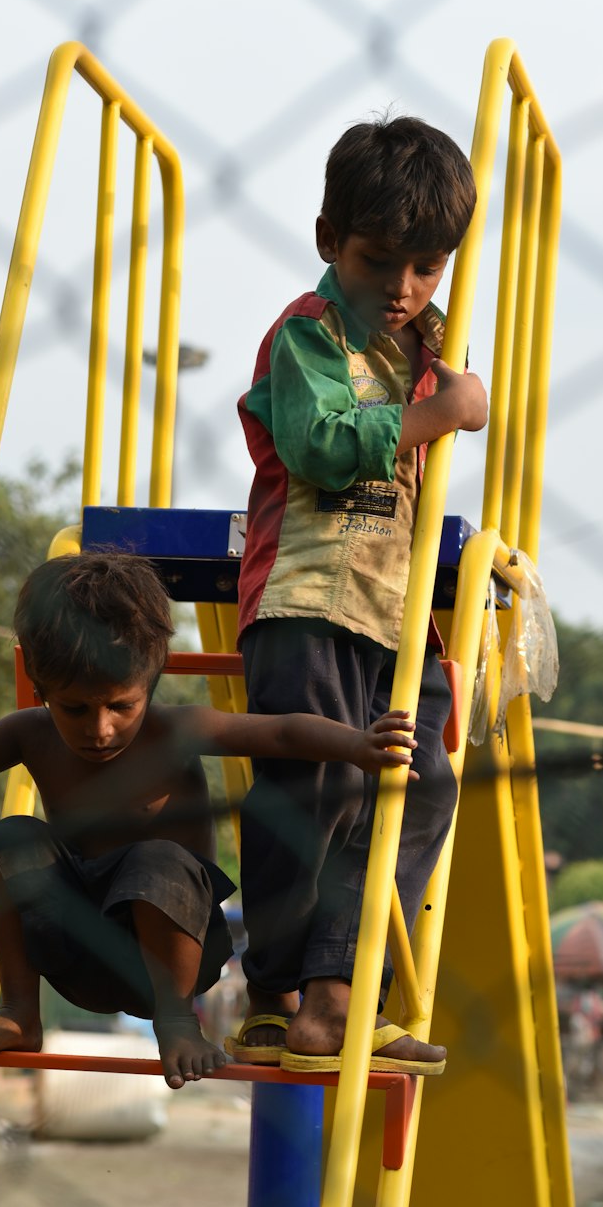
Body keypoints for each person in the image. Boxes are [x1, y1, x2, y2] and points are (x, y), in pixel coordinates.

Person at [0, 552, 421, 1089]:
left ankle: (176, 1023)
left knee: (157, 858)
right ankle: (18, 1011)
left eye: (120, 706)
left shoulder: (175, 731)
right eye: (75, 709)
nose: (99, 729)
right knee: (11, 835)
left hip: (177, 952)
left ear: (150, 684)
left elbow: (284, 733)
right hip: (77, 950)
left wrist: (358, 744)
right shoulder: (27, 733)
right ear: (39, 685)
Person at [232, 114, 489, 1076]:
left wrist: (438, 374)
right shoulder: (309, 332)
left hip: (395, 617)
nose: (405, 288)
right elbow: (321, 447)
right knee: (317, 783)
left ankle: (338, 990)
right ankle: (274, 988)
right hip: (308, 602)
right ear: (329, 241)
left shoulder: (421, 339)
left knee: (423, 786)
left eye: (429, 267)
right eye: (383, 261)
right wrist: (438, 412)